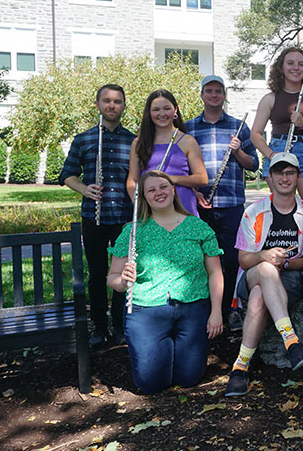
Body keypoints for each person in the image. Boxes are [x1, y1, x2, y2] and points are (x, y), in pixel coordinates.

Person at [106, 170, 224, 394]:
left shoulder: (198, 227)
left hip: (193, 308)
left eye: (163, 187)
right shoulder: (132, 231)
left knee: (189, 379)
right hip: (146, 311)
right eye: (151, 190)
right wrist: (122, 280)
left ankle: (171, 353)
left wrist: (216, 311)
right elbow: (112, 278)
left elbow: (215, 272)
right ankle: (158, 352)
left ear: (173, 190)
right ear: (143, 197)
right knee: (150, 384)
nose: (158, 193)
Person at [225, 152, 303, 397]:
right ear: (269, 178)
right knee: (264, 269)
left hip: (289, 278)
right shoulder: (253, 212)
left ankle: (240, 367)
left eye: (290, 173)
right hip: (253, 273)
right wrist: (265, 256)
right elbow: (243, 259)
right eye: (278, 173)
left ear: (298, 177)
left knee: (257, 298)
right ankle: (291, 341)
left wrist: (284, 263)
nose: (284, 178)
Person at [60, 84, 136, 347]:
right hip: (93, 218)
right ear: (98, 105)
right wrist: (85, 189)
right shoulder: (84, 139)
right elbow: (67, 174)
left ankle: (119, 326)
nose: (111, 106)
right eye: (106, 101)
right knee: (97, 272)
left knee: (123, 273)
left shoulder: (134, 141)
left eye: (117, 101)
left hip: (124, 218)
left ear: (124, 106)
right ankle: (99, 328)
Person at [185, 75, 260, 328]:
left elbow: (254, 165)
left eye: (218, 91)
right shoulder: (189, 128)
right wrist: (194, 193)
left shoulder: (239, 127)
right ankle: (203, 310)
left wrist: (238, 151)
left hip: (231, 204)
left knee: (229, 260)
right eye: (209, 91)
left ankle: (228, 308)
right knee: (201, 259)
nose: (214, 95)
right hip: (199, 203)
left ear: (224, 95)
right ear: (202, 95)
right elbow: (182, 167)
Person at [251, 47, 303, 205]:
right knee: (283, 210)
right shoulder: (270, 98)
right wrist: (272, 156)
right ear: (281, 68)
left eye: (301, 64)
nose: (296, 68)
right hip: (278, 151)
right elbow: (255, 133)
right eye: (290, 63)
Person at [126, 89, 208, 216]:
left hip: (183, 206)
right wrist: (138, 203)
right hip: (152, 207)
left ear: (175, 110)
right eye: (156, 110)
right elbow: (132, 179)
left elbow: (202, 178)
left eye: (166, 108)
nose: (162, 113)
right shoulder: (138, 143)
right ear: (149, 112)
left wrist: (169, 179)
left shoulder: (188, 141)